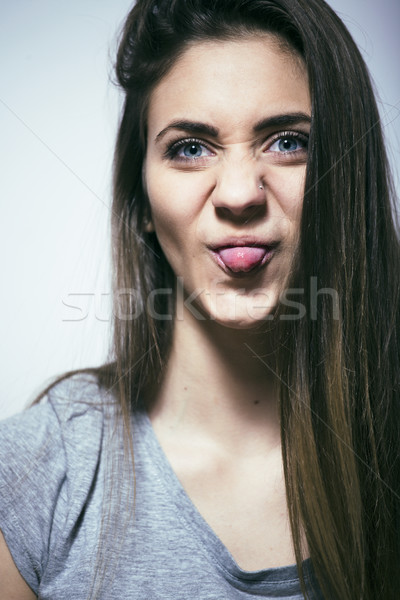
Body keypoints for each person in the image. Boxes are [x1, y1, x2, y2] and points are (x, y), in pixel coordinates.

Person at [1, 0, 399, 598]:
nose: (240, 194)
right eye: (191, 148)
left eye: (288, 142)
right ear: (139, 204)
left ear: (346, 178)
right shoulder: (36, 476)